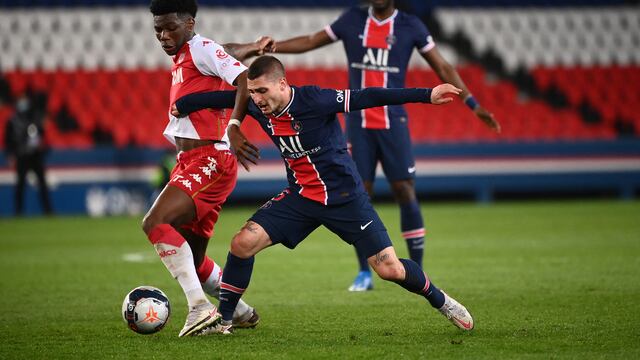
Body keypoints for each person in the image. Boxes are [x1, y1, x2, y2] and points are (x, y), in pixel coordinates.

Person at [172, 55, 475, 335]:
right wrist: (183, 104)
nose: (256, 99)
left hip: (345, 198)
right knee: (242, 243)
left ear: (282, 84)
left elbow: (369, 96)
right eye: (252, 92)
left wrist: (426, 94)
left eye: (262, 91)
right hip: (300, 199)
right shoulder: (255, 105)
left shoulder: (315, 99)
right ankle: (223, 321)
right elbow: (220, 97)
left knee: (389, 269)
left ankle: (441, 300)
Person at [267, 0, 501, 291]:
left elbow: (441, 65)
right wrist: (274, 47)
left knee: (404, 190)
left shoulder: (410, 25)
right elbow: (312, 40)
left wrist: (472, 103)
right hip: (358, 125)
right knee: (357, 192)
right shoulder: (352, 19)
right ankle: (364, 272)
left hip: (393, 123)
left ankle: (417, 268)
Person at [145, 0, 273, 337]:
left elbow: (244, 77)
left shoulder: (199, 47)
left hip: (209, 161)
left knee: (155, 223)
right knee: (194, 258)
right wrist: (253, 46)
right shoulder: (190, 55)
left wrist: (234, 124)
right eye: (157, 28)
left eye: (169, 27)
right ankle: (243, 313)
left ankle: (200, 309)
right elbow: (227, 50)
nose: (162, 35)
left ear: (189, 23)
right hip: (192, 163)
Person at [4, 93, 53, 216]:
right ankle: (18, 212)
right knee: (20, 186)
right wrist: (10, 154)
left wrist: (41, 146)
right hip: (22, 156)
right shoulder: (13, 121)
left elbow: (41, 134)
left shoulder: (34, 118)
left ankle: (48, 212)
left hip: (35, 156)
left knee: (42, 185)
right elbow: (8, 140)